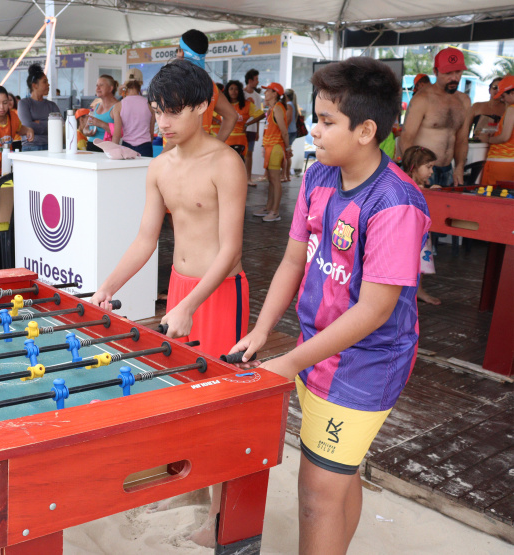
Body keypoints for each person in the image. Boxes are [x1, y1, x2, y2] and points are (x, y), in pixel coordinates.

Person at [230, 57, 430, 555]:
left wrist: (290, 361)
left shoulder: (395, 203)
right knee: (339, 476)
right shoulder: (319, 176)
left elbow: (374, 311)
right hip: (316, 348)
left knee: (317, 494)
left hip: (365, 362)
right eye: (313, 118)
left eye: (325, 122)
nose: (312, 131)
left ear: (366, 130)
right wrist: (261, 330)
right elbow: (293, 260)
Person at [90, 59, 248, 548]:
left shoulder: (226, 162)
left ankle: (221, 515)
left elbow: (231, 250)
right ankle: (186, 482)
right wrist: (107, 286)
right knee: (178, 391)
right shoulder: (159, 166)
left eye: (173, 112)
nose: (163, 123)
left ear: (203, 106)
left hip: (219, 292)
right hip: (180, 288)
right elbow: (145, 238)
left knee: (221, 404)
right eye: (159, 112)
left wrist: (190, 304)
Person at [402, 48, 471, 187]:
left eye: (458, 72)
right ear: (435, 71)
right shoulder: (422, 99)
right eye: (448, 73)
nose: (454, 78)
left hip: (448, 170)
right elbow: (406, 138)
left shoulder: (464, 101)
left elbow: (462, 139)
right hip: (423, 171)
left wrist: (459, 167)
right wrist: (413, 172)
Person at [176, 29, 237, 142]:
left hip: (176, 155)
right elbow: (232, 116)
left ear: (182, 53)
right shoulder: (210, 84)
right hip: (203, 154)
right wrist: (216, 146)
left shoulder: (176, 82)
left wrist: (161, 157)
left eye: (179, 49)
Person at [402, 145, 441, 305]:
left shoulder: (424, 186)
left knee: (421, 263)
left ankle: (418, 290)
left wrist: (434, 194)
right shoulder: (404, 184)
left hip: (421, 233)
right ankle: (402, 293)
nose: (431, 172)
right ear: (414, 166)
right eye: (428, 167)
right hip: (406, 234)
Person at [254, 82, 290, 222]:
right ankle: (269, 208)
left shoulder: (278, 109)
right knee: (271, 180)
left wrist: (287, 149)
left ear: (275, 93)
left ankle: (275, 212)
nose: (265, 93)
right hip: (271, 147)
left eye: (268, 90)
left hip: (276, 147)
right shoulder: (272, 109)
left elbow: (284, 132)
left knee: (275, 180)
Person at [477, 75, 514, 186]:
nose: (502, 100)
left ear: (512, 93)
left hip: (502, 161)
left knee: (493, 197)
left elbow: (504, 137)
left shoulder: (512, 109)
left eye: (503, 96)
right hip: (508, 162)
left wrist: (487, 139)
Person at [17, 64, 62, 152]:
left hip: (51, 146)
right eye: (44, 82)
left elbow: (60, 125)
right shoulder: (24, 103)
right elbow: (26, 126)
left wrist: (38, 123)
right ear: (35, 85)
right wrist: (50, 124)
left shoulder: (52, 105)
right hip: (31, 146)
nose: (48, 84)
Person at [223, 80, 264, 161]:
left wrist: (247, 124)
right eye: (231, 89)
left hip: (240, 140)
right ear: (227, 91)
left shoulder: (246, 104)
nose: (233, 91)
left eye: (236, 89)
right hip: (225, 139)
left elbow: (262, 115)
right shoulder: (223, 104)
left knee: (239, 163)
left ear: (240, 91)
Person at [117, 79, 155, 157]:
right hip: (145, 146)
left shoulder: (119, 105)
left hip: (126, 146)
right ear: (140, 85)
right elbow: (151, 133)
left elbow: (117, 134)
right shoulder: (149, 104)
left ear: (125, 86)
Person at [84, 74, 121, 151]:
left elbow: (118, 133)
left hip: (106, 148)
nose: (97, 88)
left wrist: (100, 123)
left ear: (110, 88)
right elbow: (85, 128)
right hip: (91, 145)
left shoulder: (117, 106)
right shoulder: (95, 105)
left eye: (101, 85)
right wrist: (87, 132)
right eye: (97, 85)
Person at [244, 69, 263, 185]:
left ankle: (248, 178)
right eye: (256, 79)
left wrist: (257, 131)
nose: (257, 82)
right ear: (250, 80)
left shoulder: (257, 96)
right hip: (240, 129)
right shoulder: (241, 93)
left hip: (251, 129)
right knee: (239, 154)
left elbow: (259, 114)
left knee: (249, 153)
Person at [284, 88, 300, 180]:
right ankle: (287, 175)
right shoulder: (292, 105)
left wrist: (283, 131)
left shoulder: (289, 105)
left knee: (287, 154)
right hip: (292, 131)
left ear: (286, 96)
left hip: (289, 132)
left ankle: (286, 175)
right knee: (288, 153)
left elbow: (288, 120)